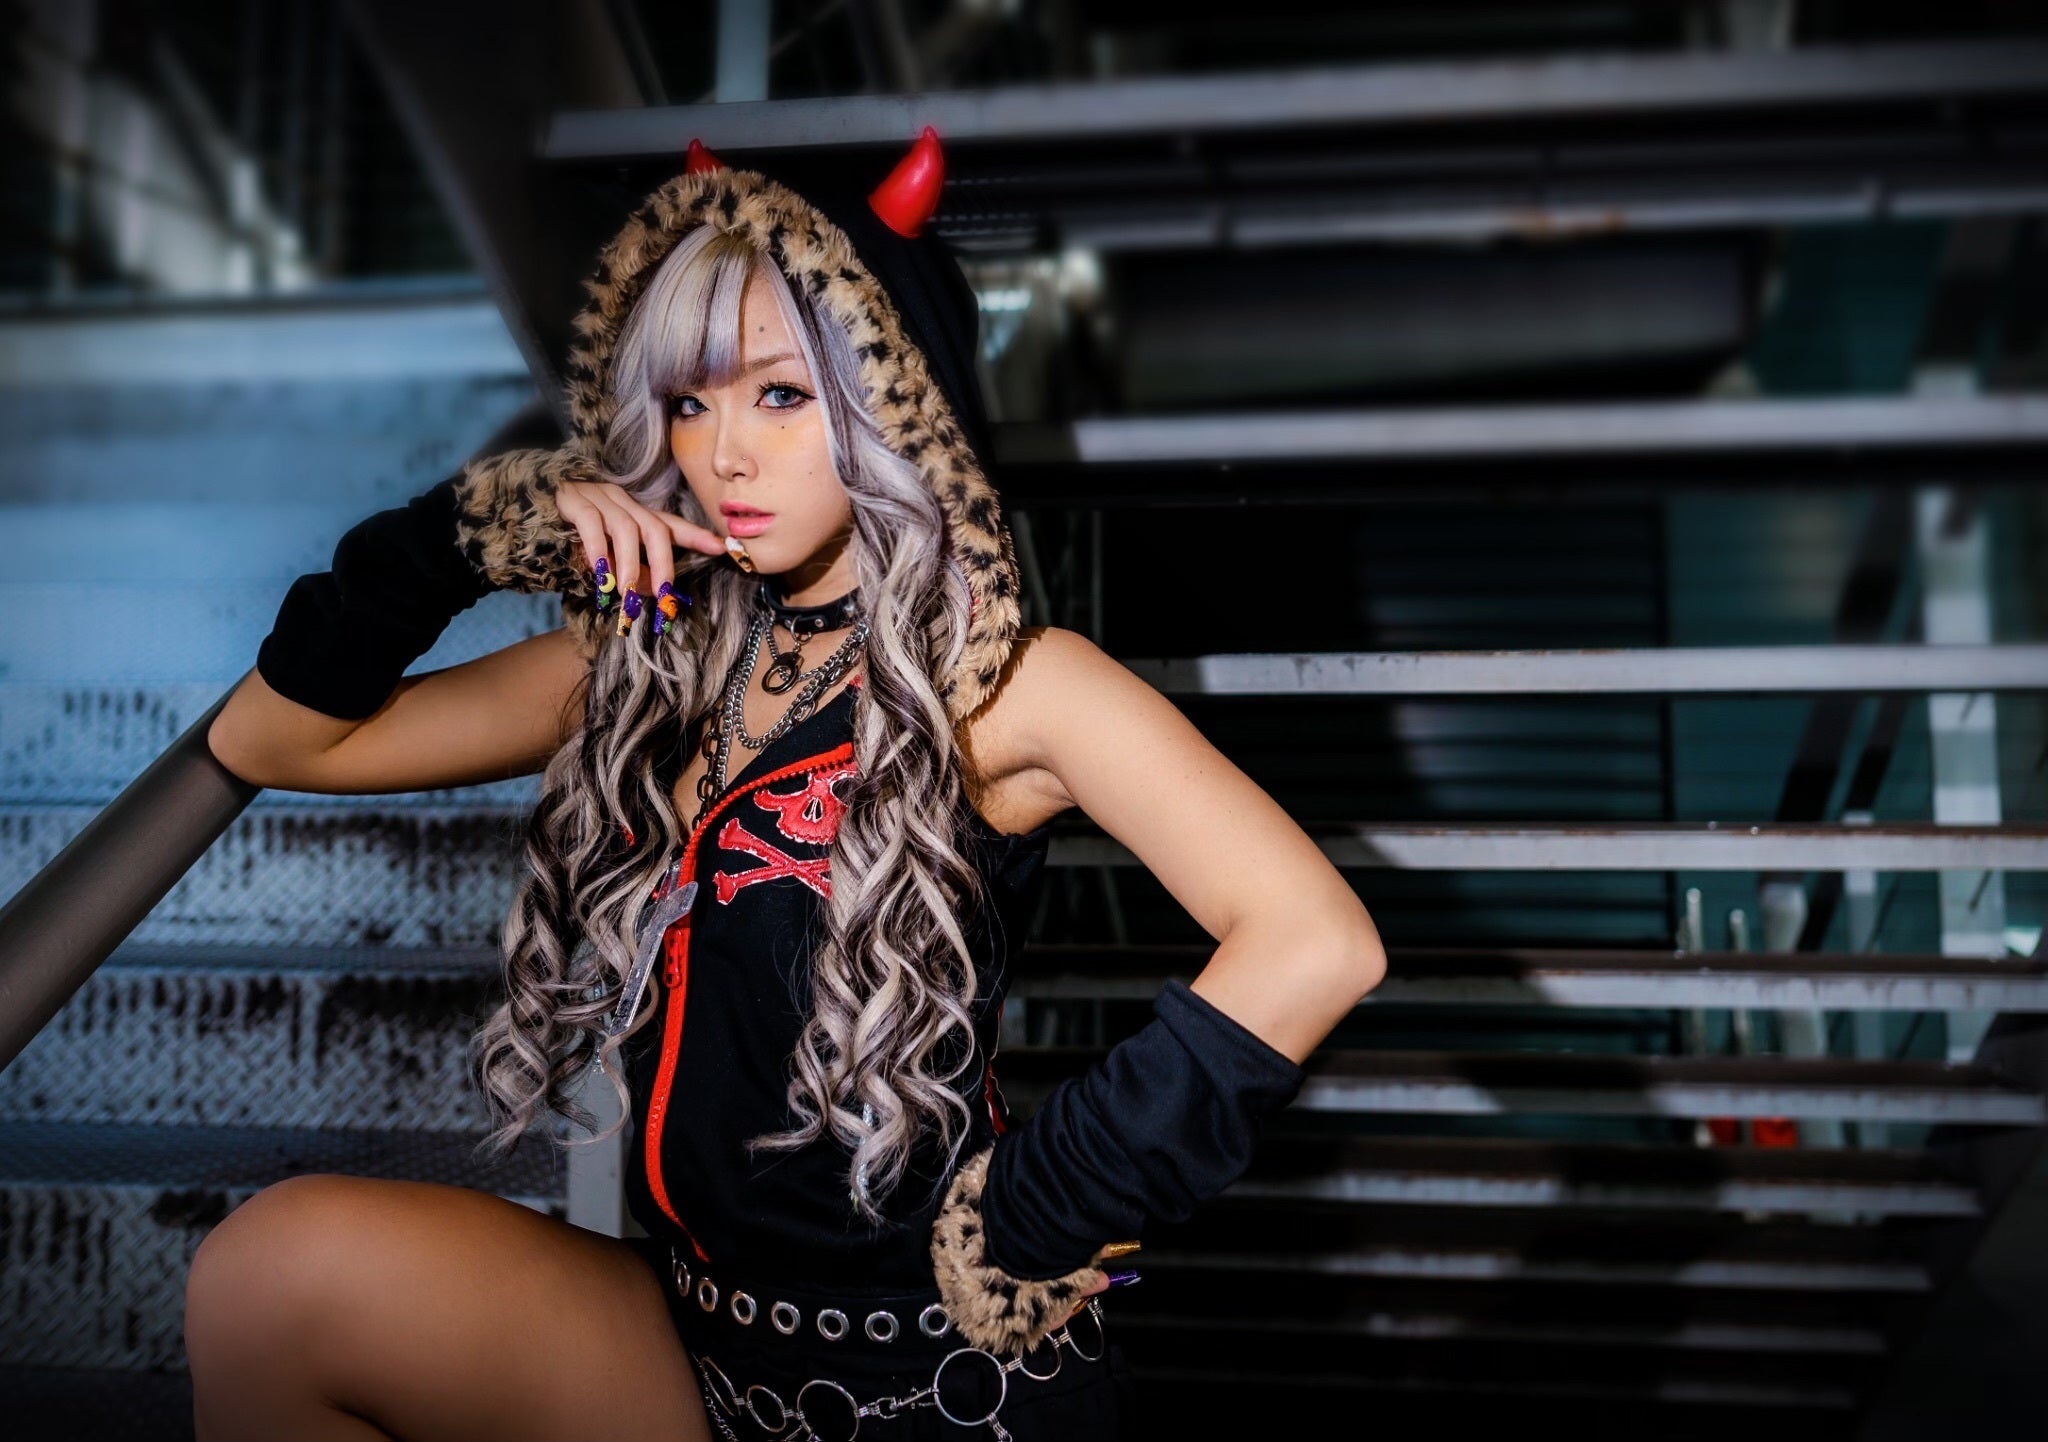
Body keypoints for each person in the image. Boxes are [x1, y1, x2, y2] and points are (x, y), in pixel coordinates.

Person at [182, 130, 1387, 1441]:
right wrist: (468, 535)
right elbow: (277, 742)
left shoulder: (1008, 683)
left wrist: (1035, 1214)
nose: (724, 455)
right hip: (693, 1342)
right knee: (271, 1277)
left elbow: (1313, 939)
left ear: (894, 404)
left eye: (779, 395)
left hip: (931, 1378)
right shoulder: (645, 660)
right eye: (690, 403)